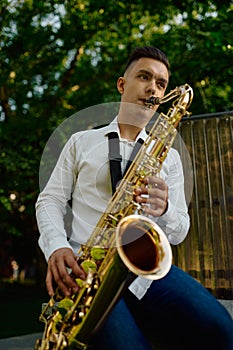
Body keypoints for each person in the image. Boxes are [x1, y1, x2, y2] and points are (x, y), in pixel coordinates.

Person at [36, 46, 233, 350]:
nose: (153, 88)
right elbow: (49, 199)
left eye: (161, 83)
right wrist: (57, 247)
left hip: (144, 271)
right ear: (122, 84)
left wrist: (165, 208)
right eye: (144, 77)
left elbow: (180, 230)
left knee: (222, 328)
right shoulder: (82, 142)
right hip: (88, 274)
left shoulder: (169, 157)